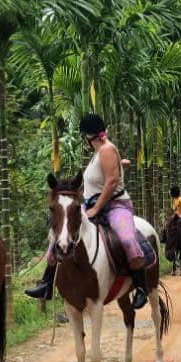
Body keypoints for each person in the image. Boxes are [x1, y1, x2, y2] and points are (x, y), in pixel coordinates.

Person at [25, 114, 149, 309]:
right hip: (91, 205)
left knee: (127, 239)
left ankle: (140, 286)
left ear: (88, 135)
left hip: (114, 206)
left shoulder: (106, 149)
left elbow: (112, 182)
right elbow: (106, 171)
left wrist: (96, 209)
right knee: (59, 233)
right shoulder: (98, 153)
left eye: (83, 135)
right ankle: (47, 283)